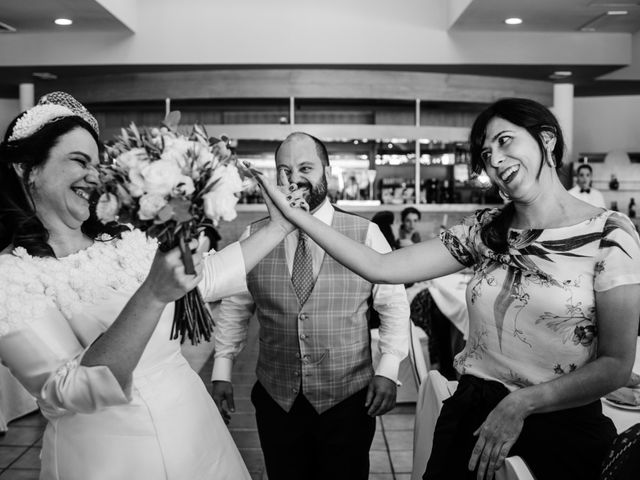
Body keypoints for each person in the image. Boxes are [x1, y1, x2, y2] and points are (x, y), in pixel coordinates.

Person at [258, 99, 640, 480]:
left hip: (562, 424)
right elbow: (381, 266)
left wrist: (522, 403)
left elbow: (616, 365)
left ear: (547, 139)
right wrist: (297, 217)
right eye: (486, 153)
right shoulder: (484, 230)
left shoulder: (609, 233)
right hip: (472, 417)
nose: (496, 160)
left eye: (506, 141)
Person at [0, 92, 302, 480]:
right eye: (78, 161)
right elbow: (70, 391)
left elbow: (202, 278)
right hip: (109, 457)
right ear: (28, 168)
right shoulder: (11, 275)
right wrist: (152, 295)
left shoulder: (123, 237)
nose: (95, 176)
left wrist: (280, 224)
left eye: (98, 164)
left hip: (194, 433)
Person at [211, 132, 410, 480]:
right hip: (277, 399)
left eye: (305, 167)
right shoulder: (253, 236)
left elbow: (393, 304)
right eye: (283, 169)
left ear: (327, 173)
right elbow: (235, 307)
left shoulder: (365, 233)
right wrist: (222, 370)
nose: (293, 179)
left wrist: (388, 369)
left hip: (348, 398)